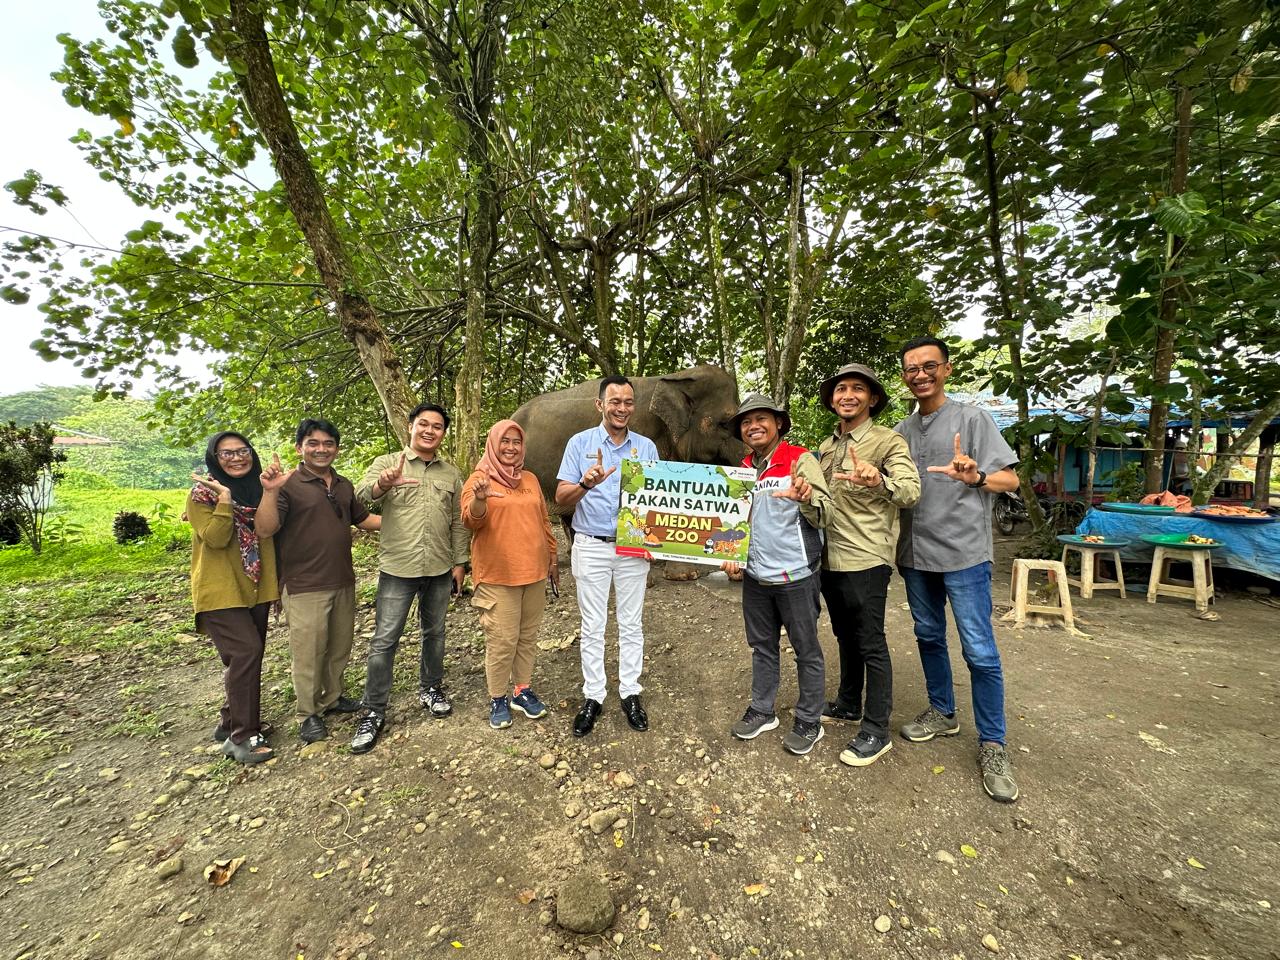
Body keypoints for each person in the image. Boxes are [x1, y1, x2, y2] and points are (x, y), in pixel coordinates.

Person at [894, 336, 1022, 803]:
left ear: (946, 369)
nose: (920, 374)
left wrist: (978, 477)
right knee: (928, 635)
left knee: (980, 650)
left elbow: (1011, 477)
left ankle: (993, 743)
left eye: (929, 366)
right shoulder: (902, 431)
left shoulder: (972, 419)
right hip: (915, 555)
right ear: (905, 377)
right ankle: (942, 711)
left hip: (965, 554)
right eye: (911, 368)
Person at [348, 402, 469, 755]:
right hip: (397, 569)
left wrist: (461, 561)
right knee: (385, 639)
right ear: (411, 426)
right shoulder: (387, 463)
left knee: (435, 632)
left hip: (439, 568)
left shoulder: (451, 473)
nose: (429, 431)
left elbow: (458, 521)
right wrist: (382, 485)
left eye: (437, 426)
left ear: (443, 433)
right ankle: (373, 710)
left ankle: (431, 688)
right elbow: (360, 498)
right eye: (423, 424)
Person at [816, 363, 920, 768]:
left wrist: (878, 480)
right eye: (840, 388)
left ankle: (877, 729)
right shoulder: (826, 447)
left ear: (872, 398)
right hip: (830, 556)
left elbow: (911, 491)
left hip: (866, 557)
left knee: (870, 640)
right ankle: (847, 702)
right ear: (832, 398)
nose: (847, 395)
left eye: (857, 389)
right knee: (844, 634)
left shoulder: (887, 442)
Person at [254, 419, 379, 745]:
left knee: (339, 646)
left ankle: (332, 698)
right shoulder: (287, 485)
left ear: (336, 448)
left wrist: (413, 520)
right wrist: (270, 492)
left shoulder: (343, 485)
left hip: (342, 580)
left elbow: (364, 520)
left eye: (328, 443)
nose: (321, 449)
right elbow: (265, 530)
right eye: (313, 443)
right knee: (308, 653)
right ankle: (308, 713)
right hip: (304, 584)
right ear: (300, 448)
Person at [723, 394, 834, 757]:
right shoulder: (738, 470)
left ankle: (809, 718)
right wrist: (729, 555)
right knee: (762, 647)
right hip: (755, 577)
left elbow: (826, 513)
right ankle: (762, 709)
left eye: (761, 418)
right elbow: (731, 524)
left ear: (779, 424)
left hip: (795, 575)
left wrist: (806, 497)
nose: (753, 425)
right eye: (746, 421)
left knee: (806, 649)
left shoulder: (799, 460)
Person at [555, 375, 659, 738]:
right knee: (593, 625)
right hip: (591, 545)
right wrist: (586, 483)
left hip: (632, 548)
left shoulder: (646, 448)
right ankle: (593, 696)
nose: (622, 408)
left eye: (628, 402)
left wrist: (659, 541)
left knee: (631, 624)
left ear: (634, 406)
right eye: (614, 401)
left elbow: (659, 502)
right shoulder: (579, 443)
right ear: (600, 404)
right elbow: (560, 499)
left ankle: (630, 692)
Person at [461, 419, 560, 730]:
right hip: (497, 576)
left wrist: (553, 558)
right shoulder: (479, 479)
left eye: (517, 442)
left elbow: (544, 522)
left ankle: (522, 690)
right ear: (493, 443)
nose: (511, 447)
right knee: (503, 640)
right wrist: (480, 498)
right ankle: (497, 697)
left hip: (534, 574)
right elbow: (470, 521)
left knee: (527, 636)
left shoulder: (529, 478)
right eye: (505, 441)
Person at [187, 431, 279, 764]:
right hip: (220, 590)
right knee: (246, 652)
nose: (237, 458)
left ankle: (230, 723)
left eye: (242, 451)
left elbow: (270, 532)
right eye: (227, 454)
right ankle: (243, 737)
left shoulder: (259, 489)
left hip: (255, 588)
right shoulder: (202, 494)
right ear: (214, 458)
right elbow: (214, 538)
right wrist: (225, 499)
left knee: (246, 658)